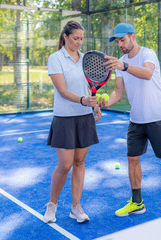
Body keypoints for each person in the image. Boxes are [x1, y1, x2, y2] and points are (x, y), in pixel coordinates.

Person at [100, 23, 161, 217]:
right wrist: (106, 102)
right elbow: (118, 91)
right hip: (136, 119)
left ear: (133, 37)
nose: (120, 44)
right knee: (132, 158)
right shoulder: (121, 62)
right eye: (117, 41)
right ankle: (137, 202)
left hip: (156, 117)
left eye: (122, 39)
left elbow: (147, 74)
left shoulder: (148, 54)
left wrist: (124, 66)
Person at [43, 20, 101, 224]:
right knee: (65, 165)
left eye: (81, 39)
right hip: (64, 118)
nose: (79, 42)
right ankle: (52, 205)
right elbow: (62, 90)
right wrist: (84, 100)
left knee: (79, 162)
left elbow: (88, 86)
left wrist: (94, 104)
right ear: (65, 37)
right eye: (75, 38)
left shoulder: (86, 59)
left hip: (84, 117)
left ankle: (76, 207)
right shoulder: (55, 58)